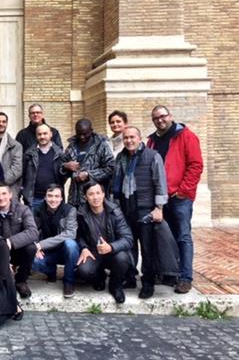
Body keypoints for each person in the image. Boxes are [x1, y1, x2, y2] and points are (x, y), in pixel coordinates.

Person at [147, 105, 203, 294]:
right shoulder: (152, 141)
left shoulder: (186, 136)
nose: (160, 120)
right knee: (165, 236)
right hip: (161, 199)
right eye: (156, 118)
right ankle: (170, 273)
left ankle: (186, 277)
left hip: (179, 198)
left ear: (170, 116)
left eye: (162, 116)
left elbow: (195, 165)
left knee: (183, 236)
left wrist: (183, 191)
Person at [112, 126, 169, 298]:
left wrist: (159, 208)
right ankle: (130, 277)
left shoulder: (152, 156)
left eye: (132, 137)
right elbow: (116, 182)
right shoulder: (121, 157)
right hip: (125, 208)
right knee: (129, 246)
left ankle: (148, 282)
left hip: (145, 209)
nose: (129, 141)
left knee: (147, 248)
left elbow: (160, 182)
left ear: (139, 138)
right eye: (126, 138)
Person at [76, 182, 133, 303]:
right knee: (84, 270)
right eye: (91, 194)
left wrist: (111, 247)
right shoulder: (81, 213)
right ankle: (99, 276)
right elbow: (79, 236)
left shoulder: (115, 212)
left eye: (98, 193)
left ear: (103, 194)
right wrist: (84, 248)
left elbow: (128, 239)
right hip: (93, 251)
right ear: (85, 197)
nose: (95, 197)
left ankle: (115, 285)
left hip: (113, 252)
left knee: (123, 258)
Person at [0, 183, 39, 298]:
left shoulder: (23, 210)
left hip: (17, 249)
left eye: (4, 194)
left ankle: (21, 281)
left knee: (31, 248)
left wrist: (11, 242)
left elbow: (33, 232)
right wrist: (2, 244)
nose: (1, 198)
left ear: (10, 195)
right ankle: (0, 279)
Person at [32, 184, 79, 298]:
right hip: (47, 251)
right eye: (50, 196)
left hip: (64, 251)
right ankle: (50, 271)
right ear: (45, 197)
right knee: (33, 261)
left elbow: (70, 233)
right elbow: (31, 231)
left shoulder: (70, 210)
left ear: (62, 198)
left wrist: (40, 244)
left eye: (57, 196)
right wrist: (34, 246)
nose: (53, 199)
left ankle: (68, 281)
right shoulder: (37, 210)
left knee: (71, 244)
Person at [62, 119, 115, 207]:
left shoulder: (101, 146)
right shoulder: (72, 146)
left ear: (91, 131)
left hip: (95, 199)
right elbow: (62, 168)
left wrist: (88, 175)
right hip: (75, 199)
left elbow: (110, 168)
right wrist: (66, 166)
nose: (82, 137)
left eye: (85, 134)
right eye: (79, 134)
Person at [22, 123, 66, 212]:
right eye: (39, 134)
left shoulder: (60, 154)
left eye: (45, 133)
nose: (42, 136)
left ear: (51, 134)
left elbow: (63, 176)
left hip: (54, 199)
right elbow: (23, 175)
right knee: (33, 225)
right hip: (34, 199)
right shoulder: (28, 154)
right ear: (36, 136)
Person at [0, 112, 23, 197]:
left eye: (4, 121)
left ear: (7, 124)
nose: (1, 124)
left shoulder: (16, 146)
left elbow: (16, 169)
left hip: (9, 190)